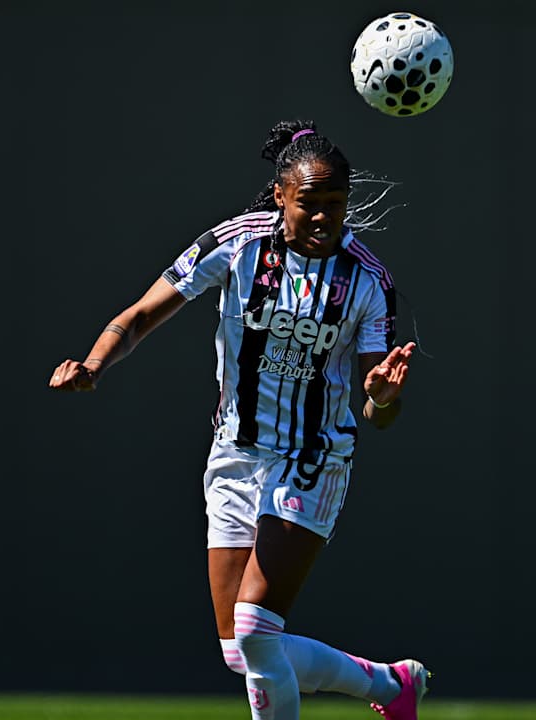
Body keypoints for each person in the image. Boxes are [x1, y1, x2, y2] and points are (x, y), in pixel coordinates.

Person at [49, 120, 425, 720]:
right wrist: (95, 362)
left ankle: (385, 689)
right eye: (311, 204)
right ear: (281, 196)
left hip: (313, 457)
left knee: (254, 629)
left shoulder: (367, 280)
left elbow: (379, 413)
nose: (325, 217)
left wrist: (380, 396)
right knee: (240, 650)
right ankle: (390, 686)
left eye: (336, 203)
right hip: (235, 452)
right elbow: (143, 314)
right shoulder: (238, 243)